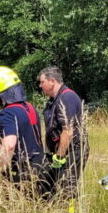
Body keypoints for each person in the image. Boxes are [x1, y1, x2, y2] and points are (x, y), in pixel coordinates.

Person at [0, 66, 47, 193]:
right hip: (40, 167)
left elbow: (9, 146)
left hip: (21, 172)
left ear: (0, 95)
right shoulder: (29, 107)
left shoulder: (7, 114)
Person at [38, 66, 88, 199]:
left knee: (66, 187)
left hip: (72, 150)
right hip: (60, 151)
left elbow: (68, 131)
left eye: (42, 82)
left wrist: (59, 157)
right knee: (53, 186)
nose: (40, 85)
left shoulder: (67, 97)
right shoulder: (54, 100)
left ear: (52, 81)